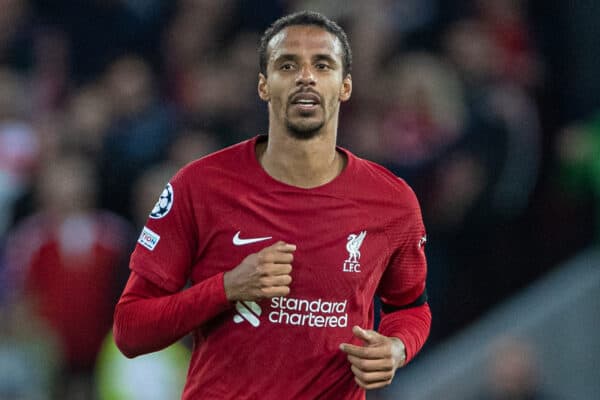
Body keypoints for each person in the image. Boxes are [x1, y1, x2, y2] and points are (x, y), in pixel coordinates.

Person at [113, 11, 431, 399]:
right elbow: (130, 329)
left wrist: (397, 348)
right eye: (287, 65)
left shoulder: (392, 202)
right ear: (264, 85)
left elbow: (411, 307)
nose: (306, 77)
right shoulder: (200, 186)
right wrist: (227, 287)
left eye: (323, 64)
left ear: (345, 86)